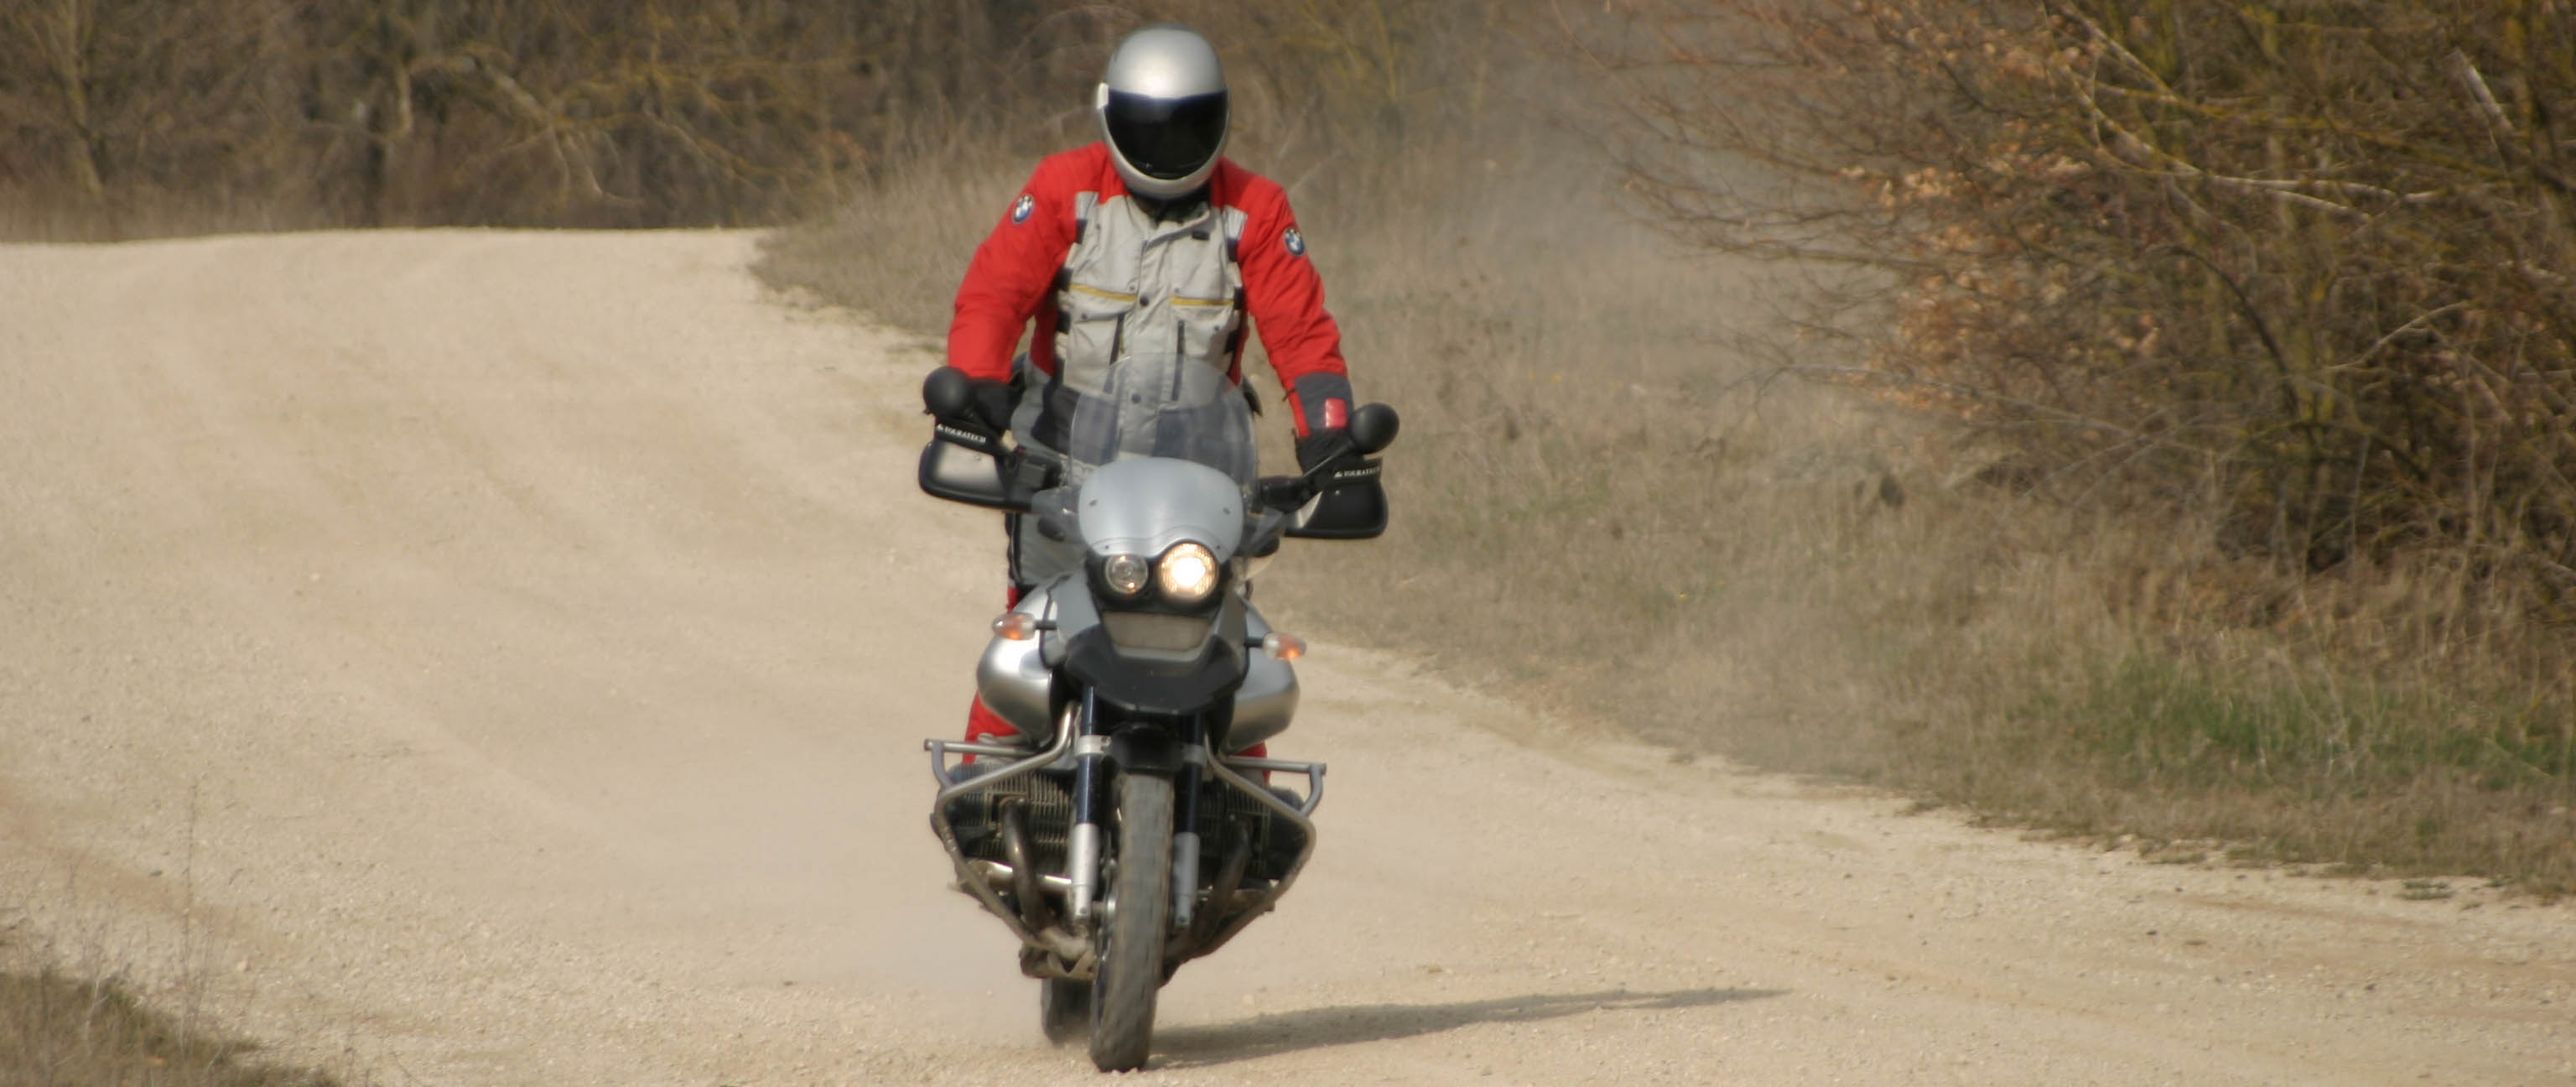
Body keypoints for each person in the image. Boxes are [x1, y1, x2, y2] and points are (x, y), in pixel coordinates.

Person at [941, 23, 1358, 753]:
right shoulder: (1064, 188)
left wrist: (1332, 437)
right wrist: (975, 392)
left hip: (1199, 482)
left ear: (1220, 118)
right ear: (1110, 116)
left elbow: (1301, 334)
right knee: (1032, 641)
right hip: (1063, 473)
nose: (1167, 144)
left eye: (1186, 125)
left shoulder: (1256, 209)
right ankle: (981, 786)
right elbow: (993, 298)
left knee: (1225, 657)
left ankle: (1241, 802)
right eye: (1148, 126)